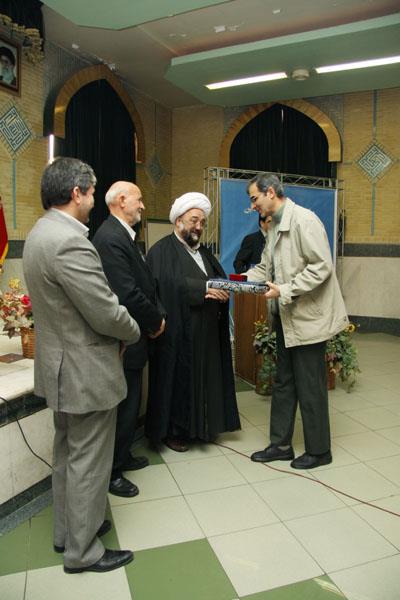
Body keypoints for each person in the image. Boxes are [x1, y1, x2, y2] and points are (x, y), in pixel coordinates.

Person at [23, 158, 141, 573]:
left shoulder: (39, 233)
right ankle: (83, 551)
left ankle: (67, 534)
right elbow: (104, 311)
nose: (93, 200)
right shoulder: (70, 242)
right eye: (92, 192)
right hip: (85, 371)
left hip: (59, 368)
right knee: (89, 461)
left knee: (67, 455)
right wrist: (133, 330)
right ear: (77, 192)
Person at [245, 173, 348, 469]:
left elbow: (322, 267)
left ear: (270, 192)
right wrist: (236, 281)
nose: (253, 206)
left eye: (254, 198)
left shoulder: (305, 220)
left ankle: (319, 450)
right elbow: (265, 268)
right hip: (285, 317)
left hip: (308, 319)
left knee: (310, 385)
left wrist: (285, 289)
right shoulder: (273, 226)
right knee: (284, 382)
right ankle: (280, 445)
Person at [145, 192, 240, 452]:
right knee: (178, 381)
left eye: (202, 222)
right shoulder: (161, 251)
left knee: (205, 379)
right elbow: (165, 286)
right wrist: (204, 288)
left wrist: (221, 290)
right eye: (193, 221)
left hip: (206, 331)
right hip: (177, 333)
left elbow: (216, 278)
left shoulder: (204, 252)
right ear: (178, 221)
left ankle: (203, 427)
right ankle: (175, 432)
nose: (198, 227)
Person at [93, 181, 165, 498]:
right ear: (122, 200)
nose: (143, 206)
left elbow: (144, 283)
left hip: (134, 335)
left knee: (131, 401)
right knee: (122, 408)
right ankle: (112, 473)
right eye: (139, 199)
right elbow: (126, 293)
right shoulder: (110, 238)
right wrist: (155, 321)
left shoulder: (122, 235)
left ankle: (122, 457)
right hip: (124, 337)